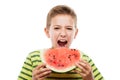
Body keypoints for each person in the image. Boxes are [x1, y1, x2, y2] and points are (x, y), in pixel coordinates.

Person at [18, 5, 104, 80]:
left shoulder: (84, 62)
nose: (63, 34)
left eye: (69, 28)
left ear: (76, 33)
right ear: (47, 32)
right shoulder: (33, 58)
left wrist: (89, 79)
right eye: (57, 28)